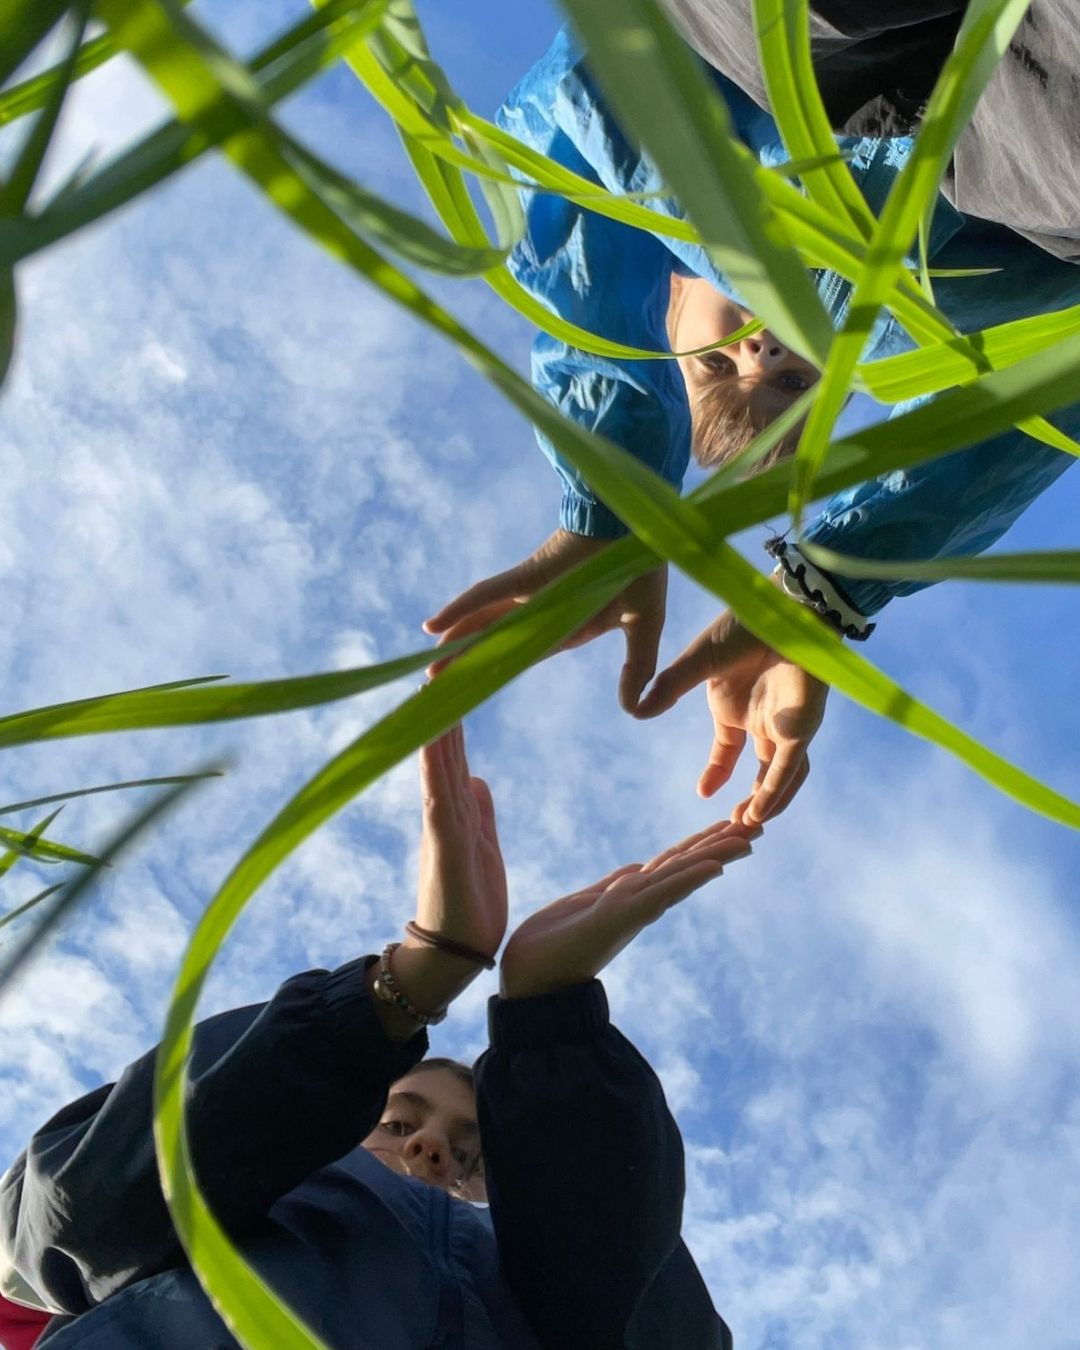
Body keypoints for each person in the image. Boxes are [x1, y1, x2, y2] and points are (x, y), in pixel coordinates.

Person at [424, 9, 1078, 827]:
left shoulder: (658, 176)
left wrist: (614, 488)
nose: (759, 359)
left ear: (670, 298)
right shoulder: (924, 336)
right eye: (793, 382)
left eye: (716, 364)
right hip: (1032, 158)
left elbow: (579, 121)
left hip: (775, 45)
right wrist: (822, 590)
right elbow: (1028, 407)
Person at [0, 725, 756, 1349]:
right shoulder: (264, 1197)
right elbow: (66, 1216)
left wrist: (551, 1023)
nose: (432, 1148)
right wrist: (399, 990)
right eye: (397, 1121)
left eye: (468, 1154)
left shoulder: (526, 1273)